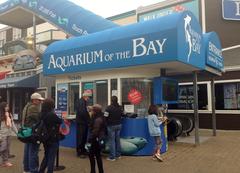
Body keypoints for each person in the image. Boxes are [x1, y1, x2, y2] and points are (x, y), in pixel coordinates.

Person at [22, 92, 44, 173]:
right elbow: (39, 119)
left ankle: (26, 169)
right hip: (32, 132)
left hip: (26, 131)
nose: (40, 102)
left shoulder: (27, 106)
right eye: (39, 100)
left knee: (27, 151)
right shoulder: (34, 107)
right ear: (34, 100)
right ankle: (33, 170)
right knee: (33, 152)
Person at [39, 98, 62, 173]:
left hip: (45, 138)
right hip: (53, 138)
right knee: (51, 157)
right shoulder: (51, 114)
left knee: (46, 155)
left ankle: (41, 171)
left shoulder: (41, 114)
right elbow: (59, 121)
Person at [87, 104, 106, 173]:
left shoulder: (97, 120)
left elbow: (95, 131)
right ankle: (100, 171)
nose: (91, 111)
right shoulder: (101, 116)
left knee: (91, 155)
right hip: (99, 139)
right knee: (98, 155)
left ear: (95, 111)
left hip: (95, 139)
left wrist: (89, 140)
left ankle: (93, 171)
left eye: (92, 110)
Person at [104, 96, 123, 161]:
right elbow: (123, 114)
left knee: (112, 141)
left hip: (111, 126)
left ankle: (112, 157)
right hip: (119, 125)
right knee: (117, 140)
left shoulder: (108, 108)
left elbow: (105, 117)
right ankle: (118, 155)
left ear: (111, 101)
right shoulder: (120, 107)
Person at [76, 92, 91, 158]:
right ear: (85, 97)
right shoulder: (82, 102)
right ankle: (79, 152)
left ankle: (83, 150)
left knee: (83, 138)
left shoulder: (82, 102)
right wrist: (88, 119)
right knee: (81, 138)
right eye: (88, 97)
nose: (88, 98)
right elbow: (82, 113)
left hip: (83, 123)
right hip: (81, 123)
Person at [0, 102, 14, 167]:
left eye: (8, 106)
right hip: (2, 135)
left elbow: (12, 125)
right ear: (3, 107)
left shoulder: (9, 115)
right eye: (6, 106)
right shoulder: (0, 115)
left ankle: (5, 162)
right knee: (3, 148)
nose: (8, 107)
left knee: (7, 148)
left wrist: (18, 133)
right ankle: (4, 161)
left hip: (9, 134)